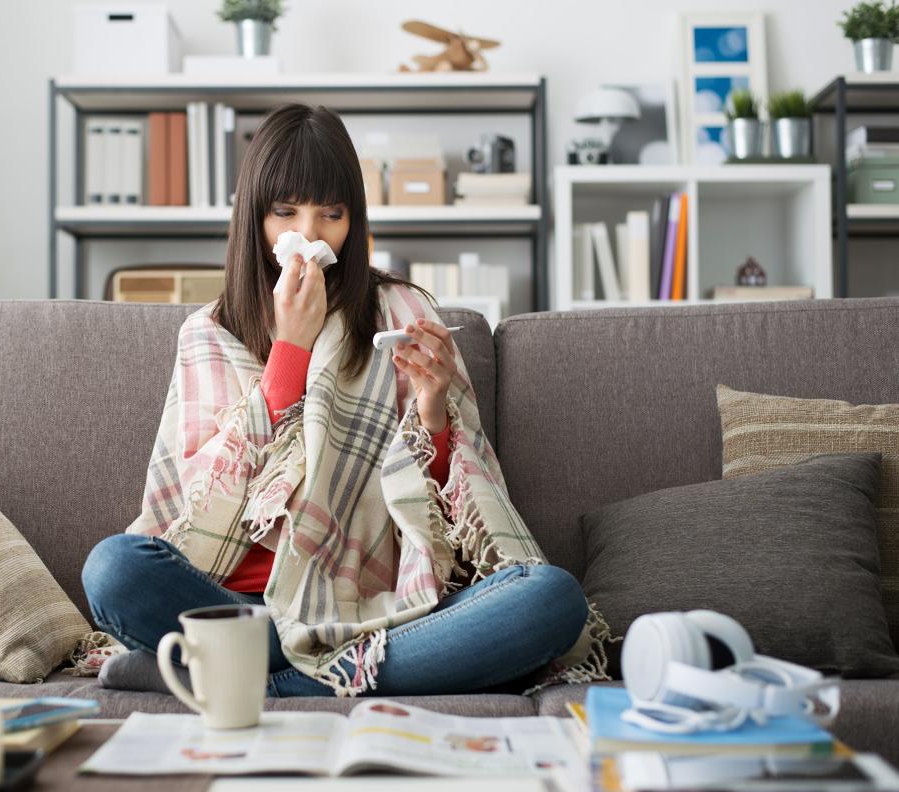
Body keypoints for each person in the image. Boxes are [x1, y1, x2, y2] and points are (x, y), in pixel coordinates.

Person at [82, 103, 605, 698]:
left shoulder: (404, 312)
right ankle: (298, 666)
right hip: (236, 603)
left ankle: (254, 680)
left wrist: (433, 414)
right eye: (286, 213)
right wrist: (290, 350)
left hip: (377, 608)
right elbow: (205, 504)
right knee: (113, 569)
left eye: (331, 214)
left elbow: (452, 522)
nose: (309, 234)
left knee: (550, 597)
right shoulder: (209, 333)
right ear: (253, 216)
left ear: (355, 220)